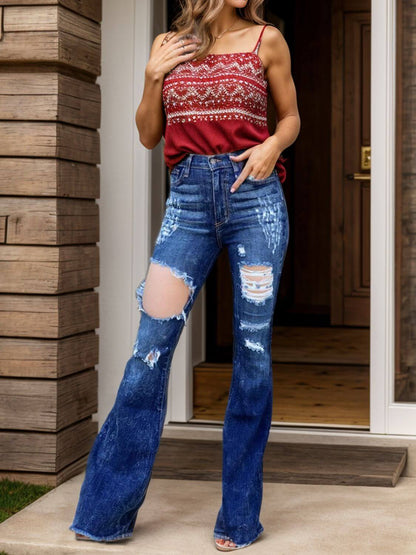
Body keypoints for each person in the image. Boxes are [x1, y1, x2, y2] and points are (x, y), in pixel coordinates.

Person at [69, 0, 300, 551]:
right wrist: (152, 78)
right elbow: (150, 135)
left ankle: (239, 520)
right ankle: (105, 515)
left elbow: (290, 116)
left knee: (252, 355)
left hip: (255, 198)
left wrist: (272, 143)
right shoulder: (168, 45)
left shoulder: (267, 40)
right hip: (189, 202)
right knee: (149, 351)